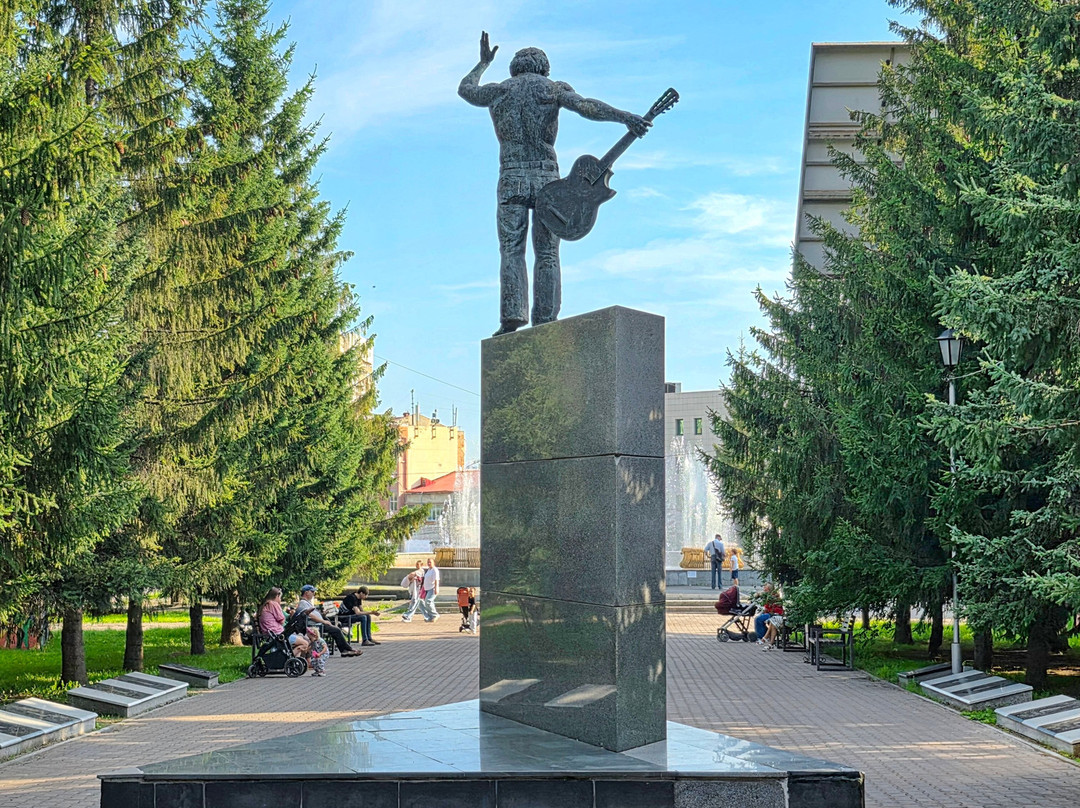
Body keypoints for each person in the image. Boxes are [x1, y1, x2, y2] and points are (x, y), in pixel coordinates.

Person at [459, 32, 651, 336]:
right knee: (547, 252)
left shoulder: (497, 92)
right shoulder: (552, 88)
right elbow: (586, 106)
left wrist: (482, 64)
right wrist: (623, 117)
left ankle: (512, 316)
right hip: (547, 178)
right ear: (544, 68)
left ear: (515, 67)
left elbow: (466, 89)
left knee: (511, 249)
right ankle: (546, 320)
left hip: (511, 178)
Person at [294, 585, 362, 657]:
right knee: (336, 630)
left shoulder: (307, 602)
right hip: (314, 626)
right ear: (306, 592)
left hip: (319, 624)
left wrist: (323, 614)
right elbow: (310, 616)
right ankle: (346, 650)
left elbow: (314, 614)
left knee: (337, 625)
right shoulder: (303, 603)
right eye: (312, 591)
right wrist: (323, 621)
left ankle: (345, 649)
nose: (314, 593)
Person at [257, 586, 308, 656]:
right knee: (305, 643)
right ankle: (289, 660)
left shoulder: (265, 604)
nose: (280, 600)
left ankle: (293, 662)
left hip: (271, 635)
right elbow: (281, 620)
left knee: (300, 639)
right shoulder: (273, 604)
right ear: (277, 596)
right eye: (280, 597)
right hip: (278, 636)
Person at [418, 557, 441, 622]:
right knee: (424, 602)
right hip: (426, 589)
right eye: (428, 562)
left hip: (432, 588)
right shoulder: (429, 570)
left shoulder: (434, 570)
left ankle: (435, 615)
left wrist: (436, 588)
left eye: (430, 562)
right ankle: (430, 617)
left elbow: (436, 579)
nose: (429, 563)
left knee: (428, 601)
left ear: (434, 563)